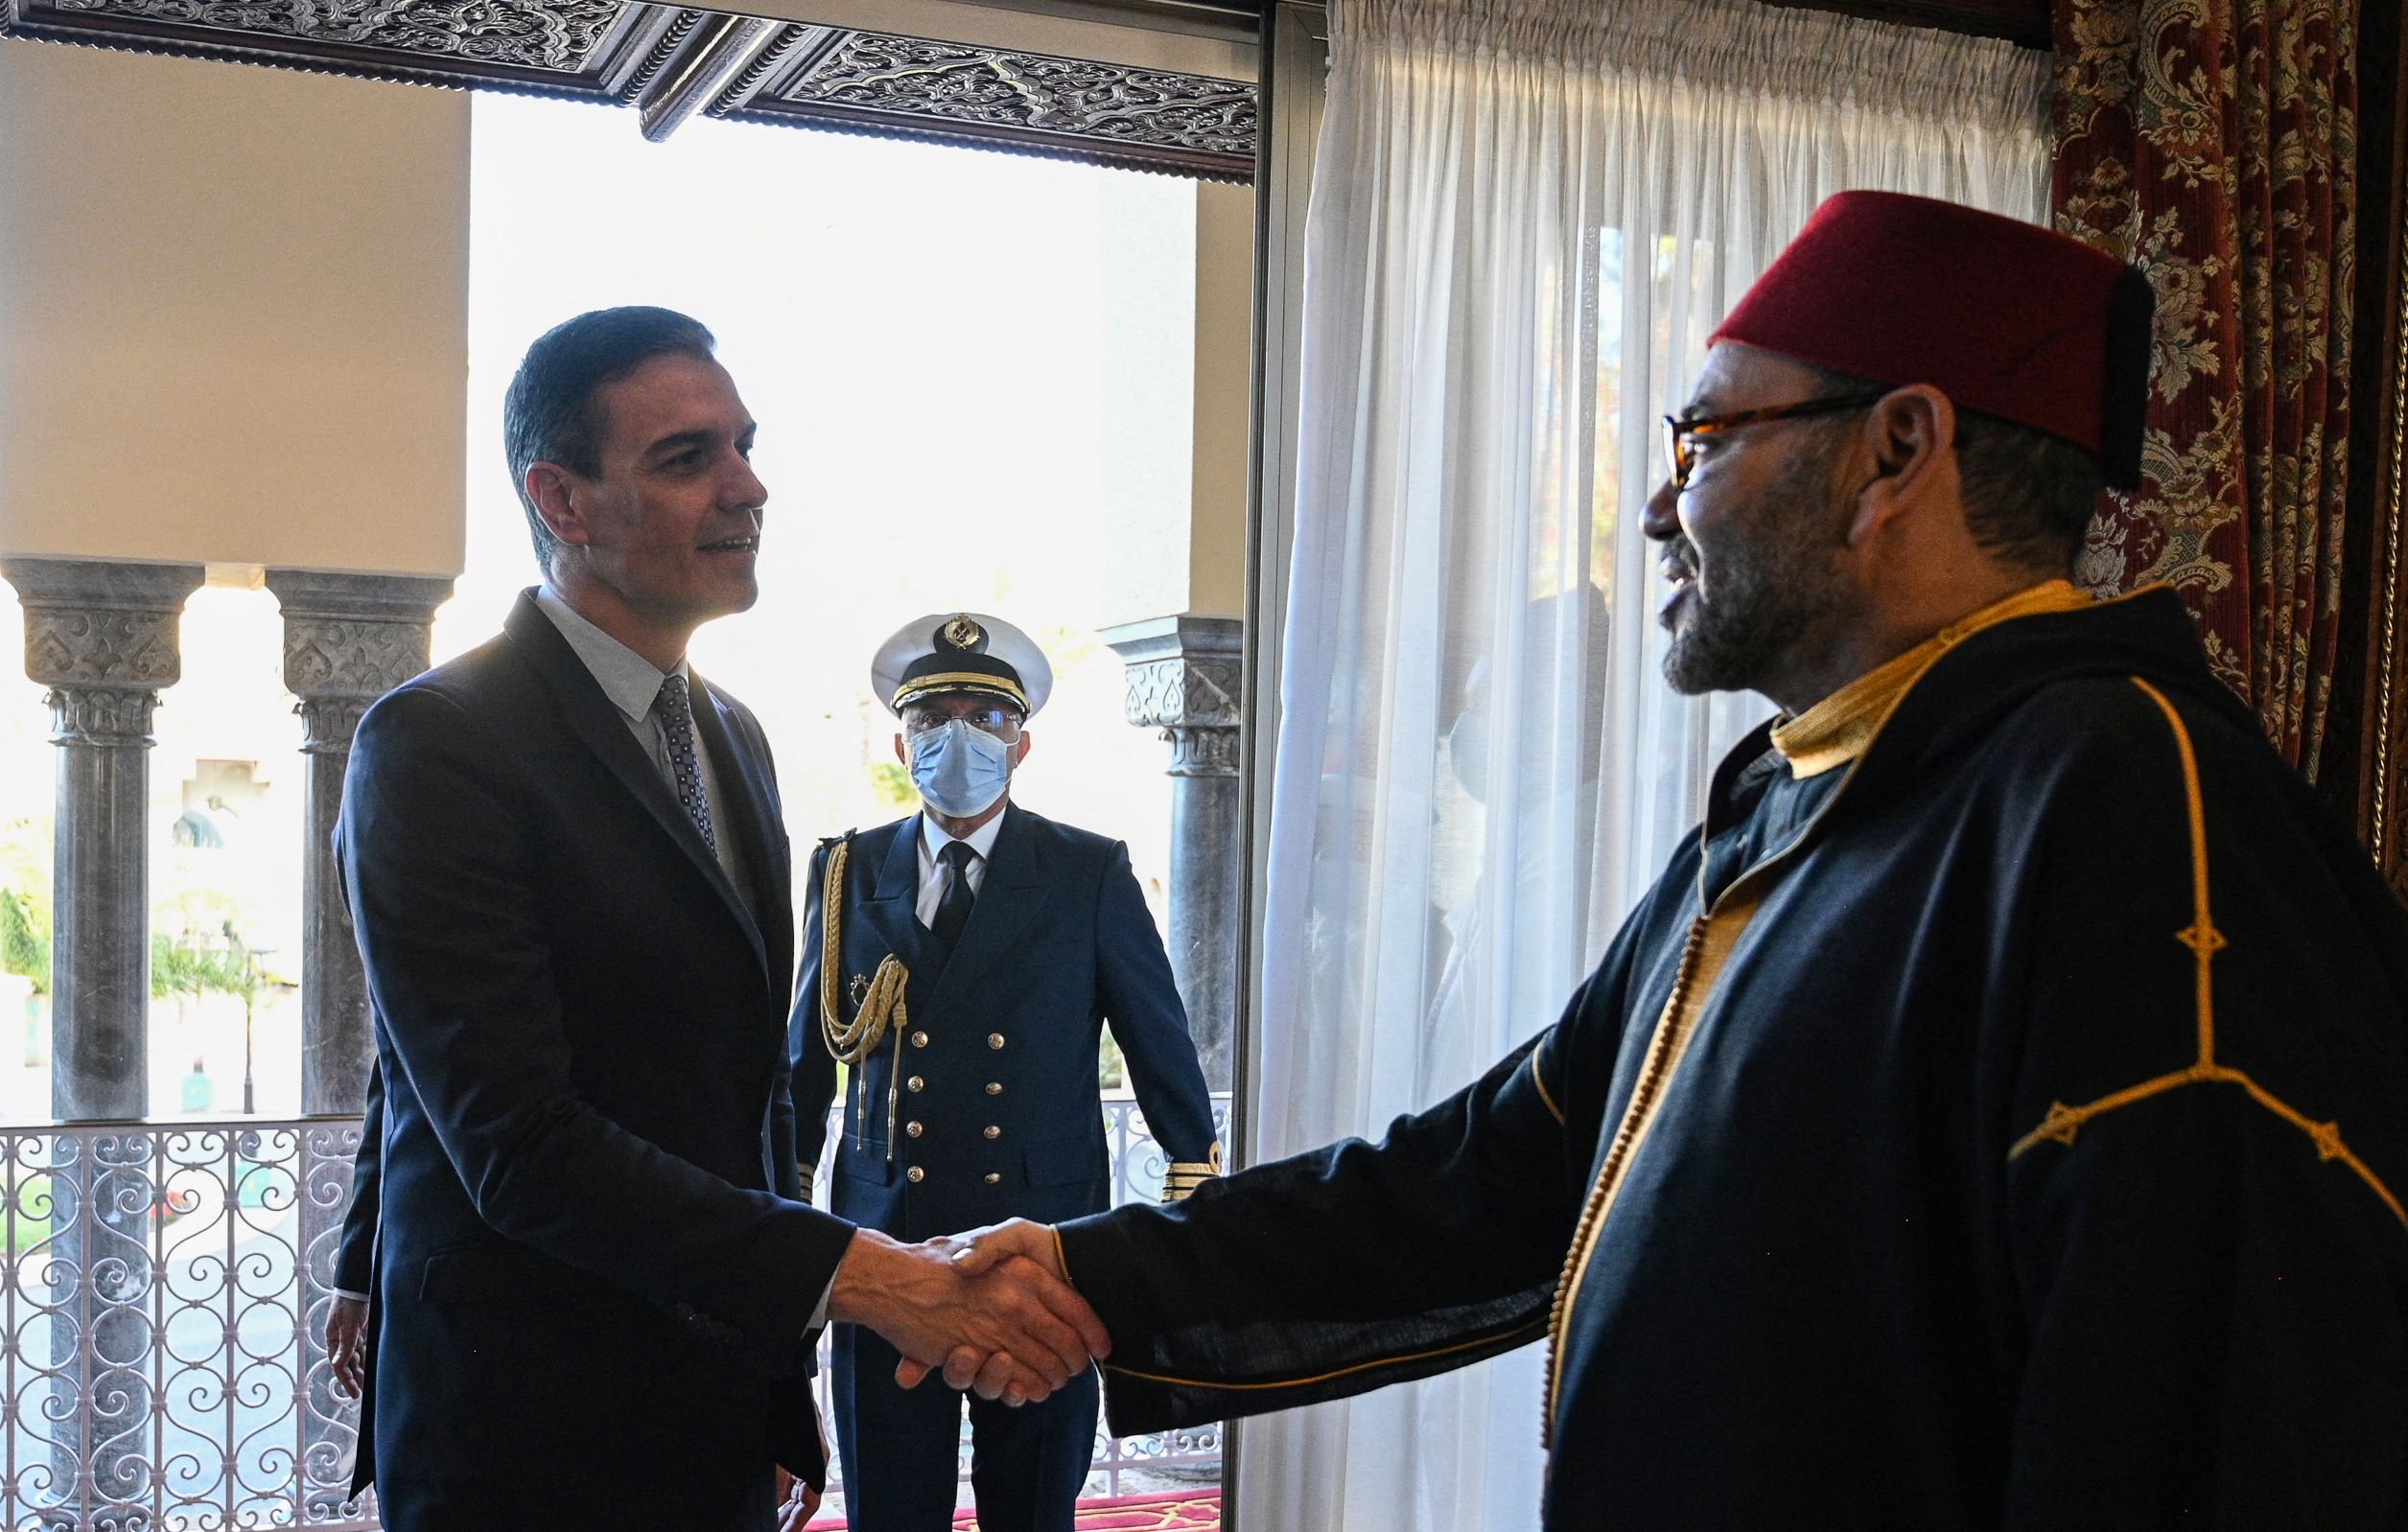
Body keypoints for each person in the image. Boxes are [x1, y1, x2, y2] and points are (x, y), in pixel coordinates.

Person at [932, 193, 2408, 1524]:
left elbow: (2211, 1414)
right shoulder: (1789, 794)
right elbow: (1509, 1161)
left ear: (1893, 450)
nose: (1654, 509)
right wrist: (1093, 1268)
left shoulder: (2124, 791)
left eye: (1700, 441)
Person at [324, 308, 1107, 1532]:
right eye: (688, 459)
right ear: (562, 500)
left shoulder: (731, 734)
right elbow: (513, 1135)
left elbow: (752, 1101)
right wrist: (875, 1279)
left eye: (742, 445)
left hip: (714, 1405)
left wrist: (774, 1389)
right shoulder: (439, 741)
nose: (748, 487)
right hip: (529, 1423)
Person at [791, 612, 1220, 1532]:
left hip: (1040, 1236)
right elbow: (804, 1059)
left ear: (1020, 744)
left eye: (983, 720)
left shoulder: (1085, 871)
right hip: (883, 1239)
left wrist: (1191, 1178)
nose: (958, 739)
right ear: (903, 740)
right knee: (888, 1501)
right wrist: (784, 1199)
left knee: (1030, 1500)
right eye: (933, 717)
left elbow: (1157, 1039)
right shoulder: (844, 870)